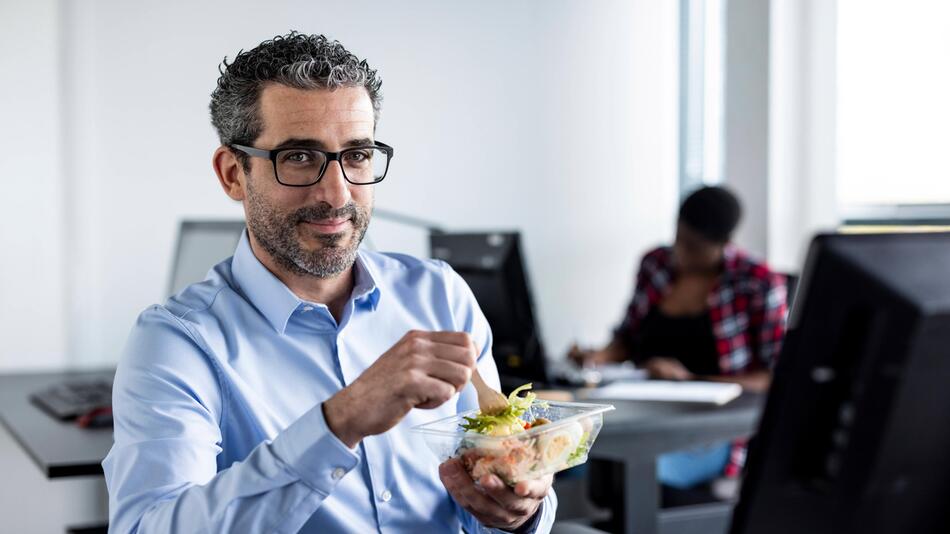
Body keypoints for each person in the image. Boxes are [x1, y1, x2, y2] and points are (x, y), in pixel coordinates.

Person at [102, 32, 556, 533]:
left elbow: (500, 481)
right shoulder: (178, 342)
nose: (337, 194)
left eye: (357, 155)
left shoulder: (439, 295)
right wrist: (340, 421)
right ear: (233, 174)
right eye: (299, 157)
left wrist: (521, 512)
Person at [571, 186, 787, 522]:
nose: (681, 253)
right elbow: (626, 339)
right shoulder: (656, 264)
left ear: (724, 243)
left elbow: (775, 376)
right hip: (639, 412)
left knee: (628, 470)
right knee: (571, 456)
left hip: (712, 434)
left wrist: (691, 379)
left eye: (694, 246)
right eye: (679, 239)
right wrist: (595, 356)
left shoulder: (756, 281)